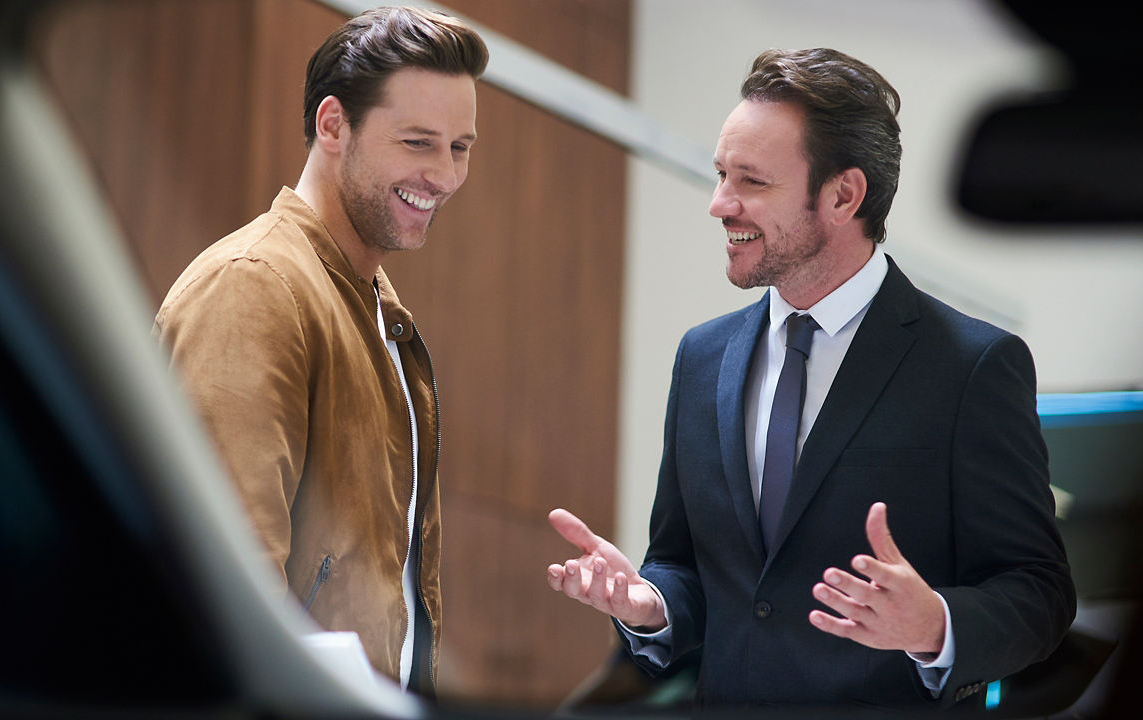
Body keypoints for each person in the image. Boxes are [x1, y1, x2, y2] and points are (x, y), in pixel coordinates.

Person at [546, 48, 1075, 711]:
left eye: (751, 182)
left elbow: (1040, 592)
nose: (718, 204)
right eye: (720, 175)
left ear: (842, 194)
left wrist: (936, 624)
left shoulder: (971, 366)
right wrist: (649, 603)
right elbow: (683, 563)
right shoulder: (701, 357)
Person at [154, 6, 487, 696]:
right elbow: (222, 585)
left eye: (459, 148)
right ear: (334, 125)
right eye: (419, 142)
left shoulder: (375, 310)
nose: (446, 176)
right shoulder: (255, 288)